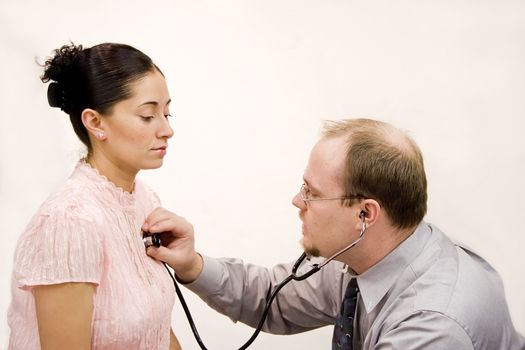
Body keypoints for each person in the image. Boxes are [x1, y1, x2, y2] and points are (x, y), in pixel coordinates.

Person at [143, 118, 525, 349]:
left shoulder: (431, 326)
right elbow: (273, 299)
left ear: (365, 213)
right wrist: (192, 265)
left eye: (312, 192)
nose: (297, 200)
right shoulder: (372, 258)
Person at [8, 42, 181, 350]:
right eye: (147, 116)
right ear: (95, 122)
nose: (167, 129)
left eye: (168, 112)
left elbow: (156, 331)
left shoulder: (144, 200)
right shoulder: (69, 223)